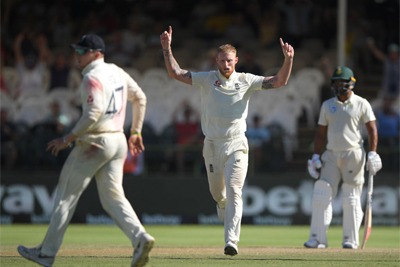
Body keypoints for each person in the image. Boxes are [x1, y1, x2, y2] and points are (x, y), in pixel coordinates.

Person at [17, 33, 155, 267]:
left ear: (97, 54)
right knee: (112, 198)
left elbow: (93, 113)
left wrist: (67, 138)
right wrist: (135, 132)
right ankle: (140, 237)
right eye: (77, 51)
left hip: (95, 141)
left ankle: (46, 253)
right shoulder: (117, 71)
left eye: (82, 52)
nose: (77, 56)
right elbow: (140, 98)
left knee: (64, 197)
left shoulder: (91, 76)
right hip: (117, 141)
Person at [160, 25, 294, 255]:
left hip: (236, 144)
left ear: (236, 60)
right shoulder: (206, 79)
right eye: (222, 60)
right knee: (218, 194)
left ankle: (231, 241)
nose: (226, 64)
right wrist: (166, 49)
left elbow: (279, 81)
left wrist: (288, 60)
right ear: (216, 61)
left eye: (230, 60)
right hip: (212, 144)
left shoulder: (246, 80)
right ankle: (221, 205)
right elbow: (175, 73)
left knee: (234, 190)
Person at [305, 66, 382, 249]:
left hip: (353, 153)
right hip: (331, 154)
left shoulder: (362, 103)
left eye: (343, 82)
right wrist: (315, 156)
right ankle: (318, 238)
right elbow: (320, 134)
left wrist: (372, 152)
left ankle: (350, 239)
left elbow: (372, 130)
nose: (340, 85)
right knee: (321, 193)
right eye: (337, 82)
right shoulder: (327, 105)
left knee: (351, 197)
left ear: (351, 83)